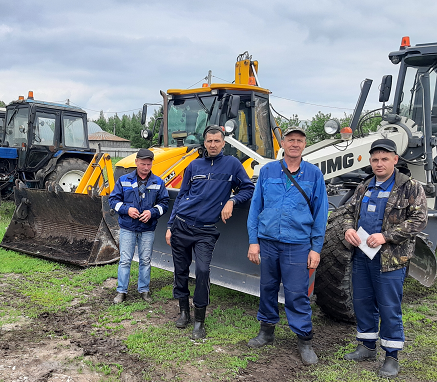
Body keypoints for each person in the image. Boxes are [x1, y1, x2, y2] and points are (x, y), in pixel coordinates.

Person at [340, 138, 427, 378]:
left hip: (390, 259)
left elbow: (419, 220)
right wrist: (348, 228)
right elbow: (347, 212)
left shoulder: (409, 187)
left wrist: (386, 236)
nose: (379, 163)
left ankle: (391, 356)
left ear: (395, 160)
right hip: (362, 256)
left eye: (384, 159)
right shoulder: (365, 186)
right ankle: (366, 346)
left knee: (389, 306)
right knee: (363, 302)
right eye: (375, 159)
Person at [246, 126, 329, 365]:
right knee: (268, 288)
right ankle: (266, 331)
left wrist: (316, 248)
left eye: (299, 140)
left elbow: (321, 214)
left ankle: (304, 340)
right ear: (282, 143)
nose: (294, 144)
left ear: (304, 145)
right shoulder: (268, 171)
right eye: (290, 140)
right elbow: (255, 209)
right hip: (269, 242)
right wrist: (254, 242)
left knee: (296, 293)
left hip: (298, 244)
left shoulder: (314, 175)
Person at [165, 125, 255, 340]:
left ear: (223, 143)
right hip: (181, 225)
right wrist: (169, 226)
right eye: (209, 141)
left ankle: (199, 321)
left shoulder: (232, 164)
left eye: (217, 141)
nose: (213, 145)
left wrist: (232, 200)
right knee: (180, 271)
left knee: (203, 271)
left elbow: (248, 188)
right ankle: (184, 312)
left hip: (205, 230)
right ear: (204, 143)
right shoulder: (193, 165)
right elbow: (181, 196)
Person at [108, 148, 169, 304]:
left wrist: (152, 212)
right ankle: (121, 291)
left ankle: (144, 290)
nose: (146, 167)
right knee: (125, 260)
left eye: (149, 164)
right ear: (136, 162)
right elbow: (112, 201)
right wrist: (127, 209)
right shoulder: (123, 180)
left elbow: (164, 204)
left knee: (145, 260)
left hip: (147, 228)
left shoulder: (158, 182)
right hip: (128, 227)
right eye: (143, 164)